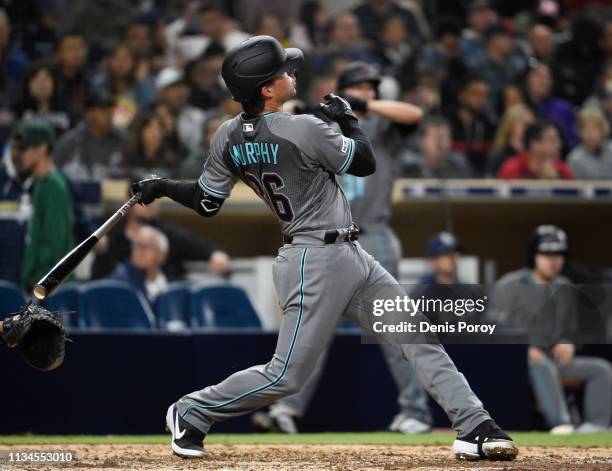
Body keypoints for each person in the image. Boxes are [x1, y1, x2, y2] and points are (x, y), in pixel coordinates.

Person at [132, 35, 518, 461]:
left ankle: (474, 424)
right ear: (265, 89)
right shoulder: (302, 128)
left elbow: (206, 202)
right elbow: (365, 163)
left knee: (416, 335)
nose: (291, 72)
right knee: (285, 377)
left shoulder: (227, 135)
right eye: (283, 71)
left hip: (353, 256)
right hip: (312, 260)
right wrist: (349, 120)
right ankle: (190, 411)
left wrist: (164, 186)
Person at [253, 61, 430, 435]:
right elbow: (288, 118)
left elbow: (415, 113)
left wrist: (362, 105)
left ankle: (415, 411)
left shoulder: (382, 125)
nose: (368, 92)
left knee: (393, 326)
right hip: (326, 236)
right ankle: (287, 409)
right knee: (313, 326)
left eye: (371, 88)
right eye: (359, 87)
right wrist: (332, 108)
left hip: (375, 233)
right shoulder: (323, 125)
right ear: (343, 88)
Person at [488, 225, 612, 434]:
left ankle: (597, 427)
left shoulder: (565, 286)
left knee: (600, 368)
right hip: (516, 362)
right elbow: (492, 326)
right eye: (546, 254)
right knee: (543, 366)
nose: (553, 260)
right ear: (534, 256)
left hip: (553, 358)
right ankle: (561, 424)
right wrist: (522, 348)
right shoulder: (510, 284)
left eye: (558, 254)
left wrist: (567, 340)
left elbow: (570, 329)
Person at [92, 199, 230, 281]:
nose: (150, 203)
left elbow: (201, 246)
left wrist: (215, 254)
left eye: (154, 198)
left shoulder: (170, 233)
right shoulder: (111, 239)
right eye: (143, 198)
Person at [14, 119, 74, 292]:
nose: (20, 154)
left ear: (42, 149)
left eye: (25, 149)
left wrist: (38, 280)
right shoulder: (42, 183)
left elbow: (54, 244)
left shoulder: (54, 185)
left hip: (51, 285)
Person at [53, 91, 125, 181]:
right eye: (103, 111)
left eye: (111, 111)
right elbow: (54, 173)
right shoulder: (70, 142)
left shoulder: (122, 140)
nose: (109, 116)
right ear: (89, 114)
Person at [108, 225, 169, 305]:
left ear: (161, 255)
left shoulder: (170, 280)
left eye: (146, 246)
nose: (139, 250)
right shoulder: (119, 281)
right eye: (137, 244)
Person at [447, 75, 496, 175]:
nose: (481, 100)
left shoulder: (490, 125)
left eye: (484, 95)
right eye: (476, 94)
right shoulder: (449, 123)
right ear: (461, 96)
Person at [497, 119, 574, 179]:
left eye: (558, 139)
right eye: (552, 140)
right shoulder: (512, 169)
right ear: (534, 144)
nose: (558, 144)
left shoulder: (562, 169)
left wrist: (555, 179)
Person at [402, 114, 474, 178]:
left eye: (444, 137)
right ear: (422, 141)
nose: (439, 143)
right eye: (434, 137)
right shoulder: (409, 168)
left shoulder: (459, 165)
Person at [14, 61, 72, 135]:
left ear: (54, 83)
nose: (42, 83)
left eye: (46, 78)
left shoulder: (67, 110)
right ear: (28, 84)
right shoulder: (17, 111)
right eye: (36, 78)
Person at [487, 103, 535, 176]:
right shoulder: (498, 157)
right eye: (526, 124)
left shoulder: (536, 156)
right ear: (510, 125)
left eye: (532, 126)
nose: (530, 130)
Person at [567, 107, 612, 179]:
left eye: (593, 129)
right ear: (580, 133)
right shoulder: (575, 159)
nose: (590, 134)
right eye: (585, 129)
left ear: (603, 129)